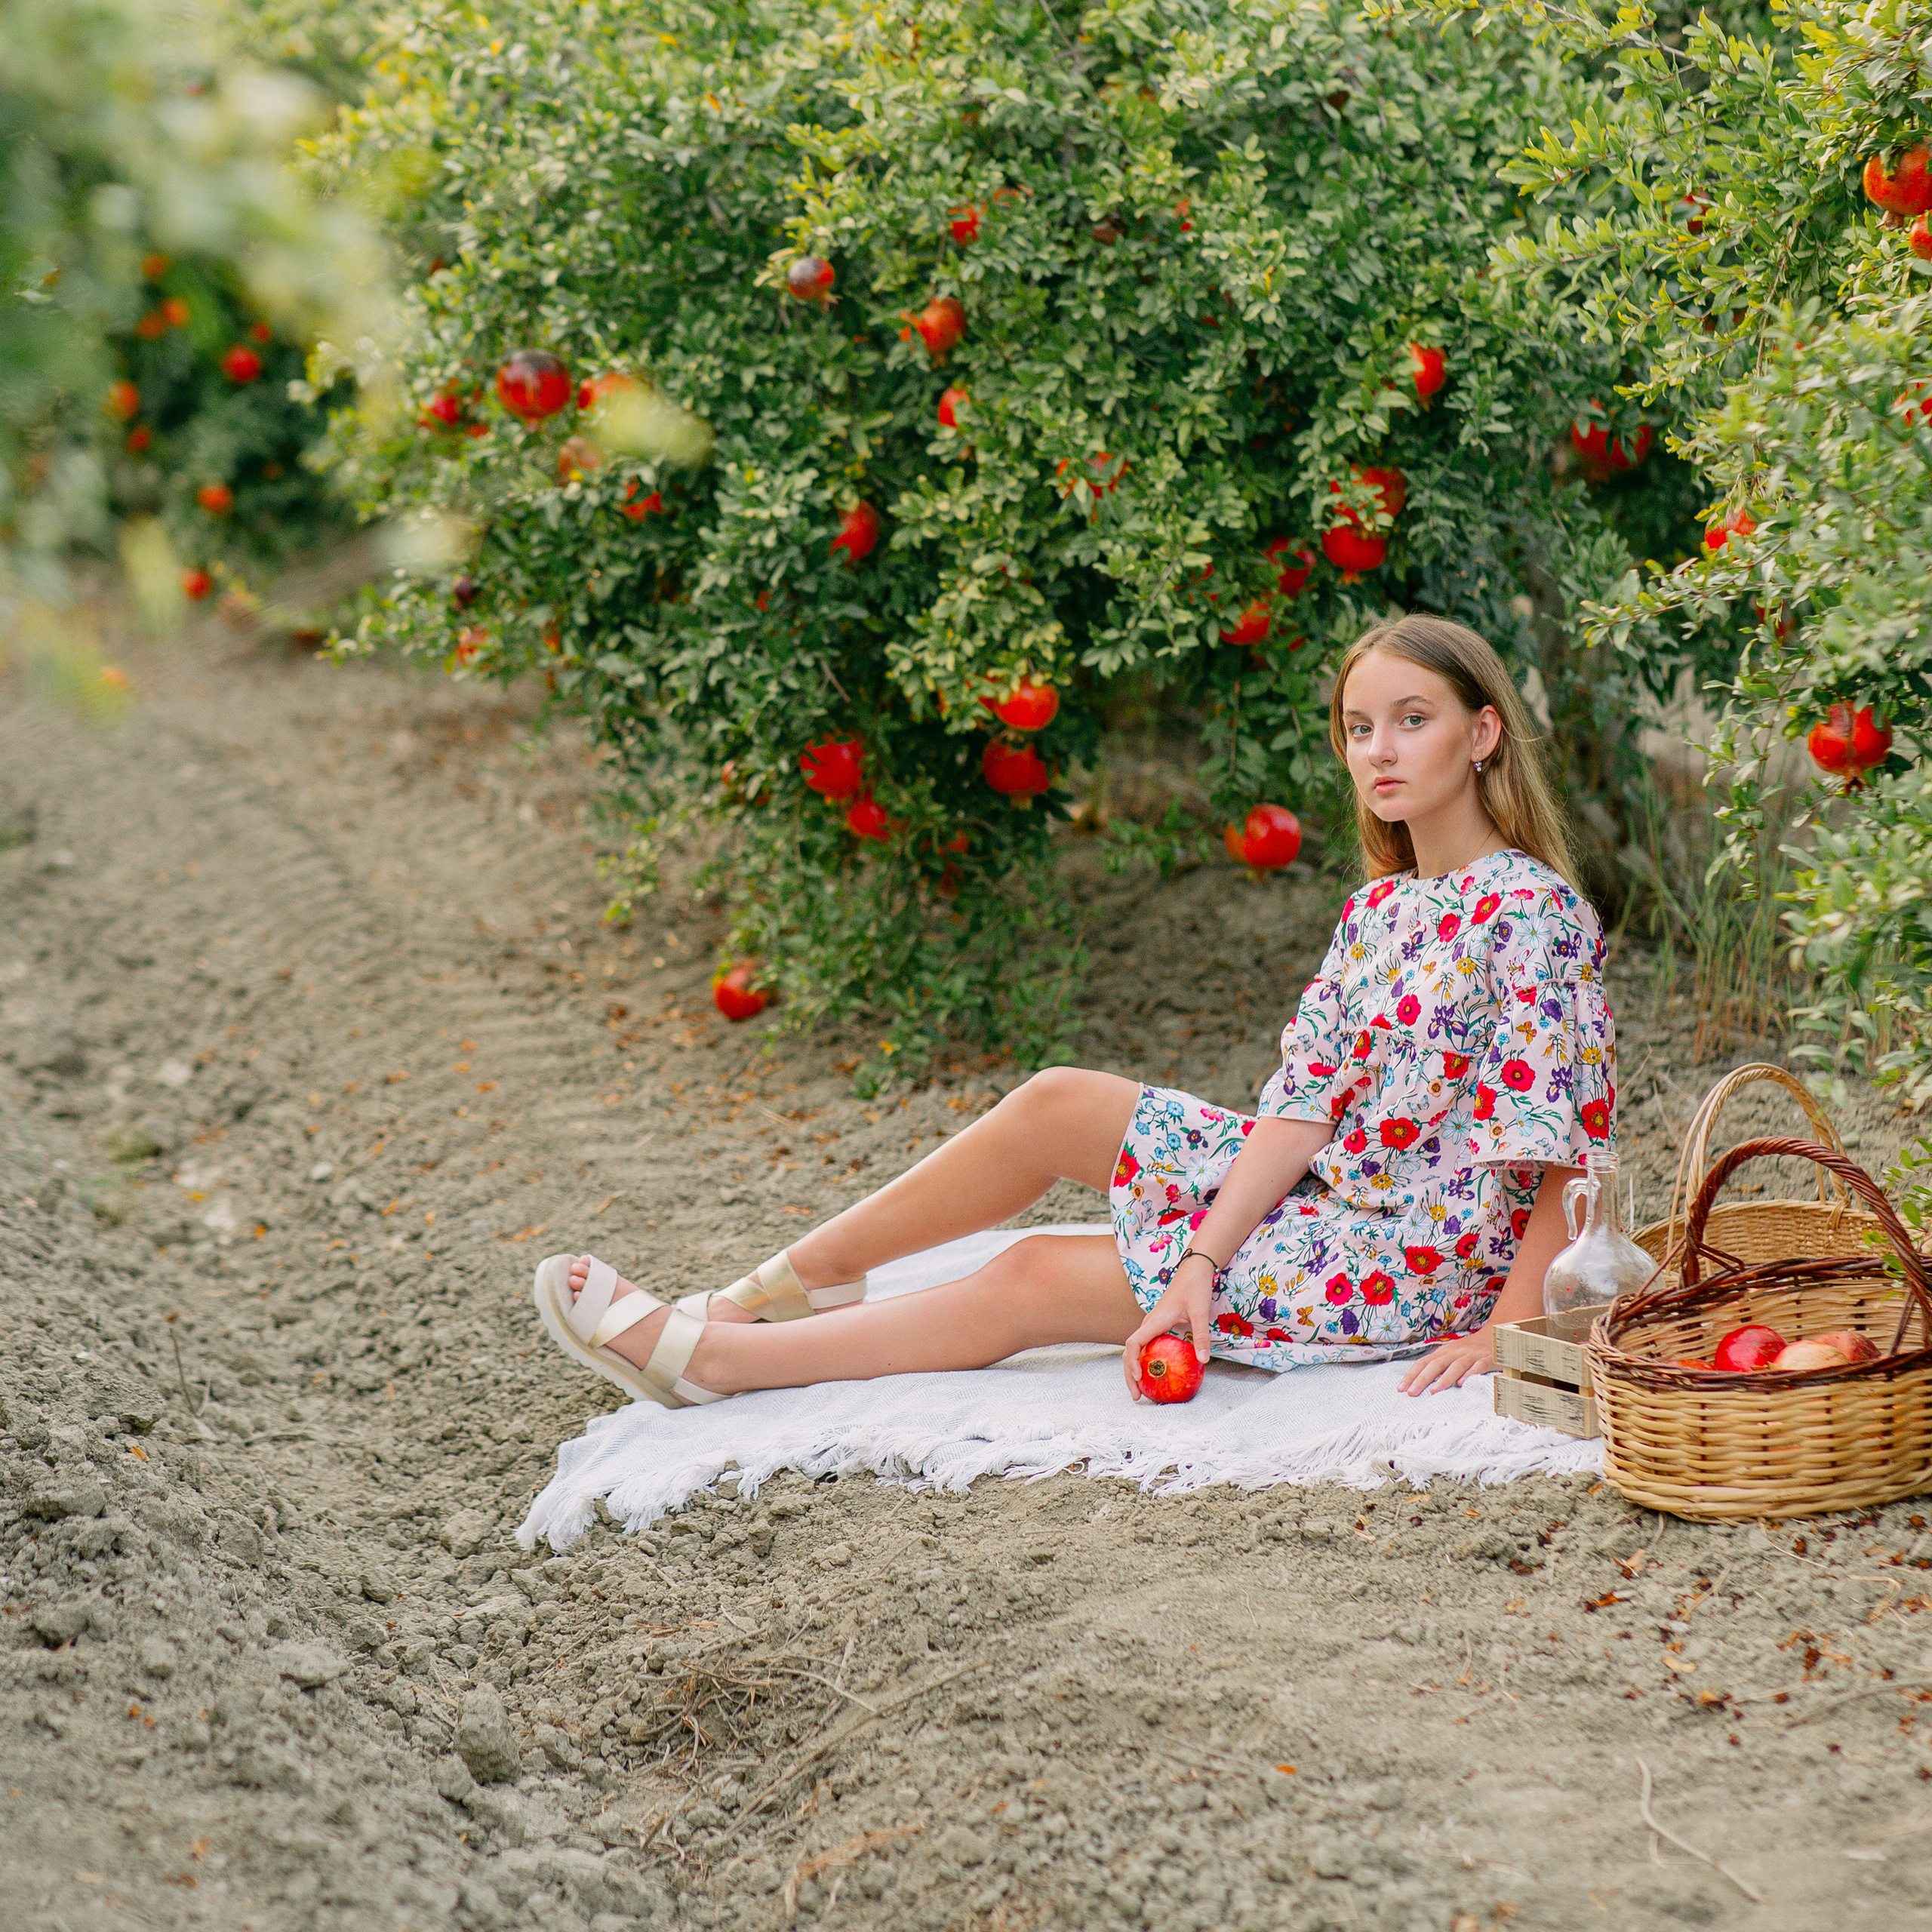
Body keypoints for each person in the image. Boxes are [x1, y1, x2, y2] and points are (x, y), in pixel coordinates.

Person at [532, 614, 1614, 1408]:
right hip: (1332, 1187)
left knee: (1037, 1274)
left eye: (1412, 722)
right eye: (1358, 727)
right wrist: (1200, 1263)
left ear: (1481, 734)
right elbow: (1301, 1111)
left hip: (1424, 1255)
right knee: (1057, 1101)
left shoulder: (1535, 912)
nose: (1378, 750)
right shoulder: (1380, 909)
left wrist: (1512, 1329)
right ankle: (785, 1286)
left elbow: (1566, 1150)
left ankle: (722, 1364)